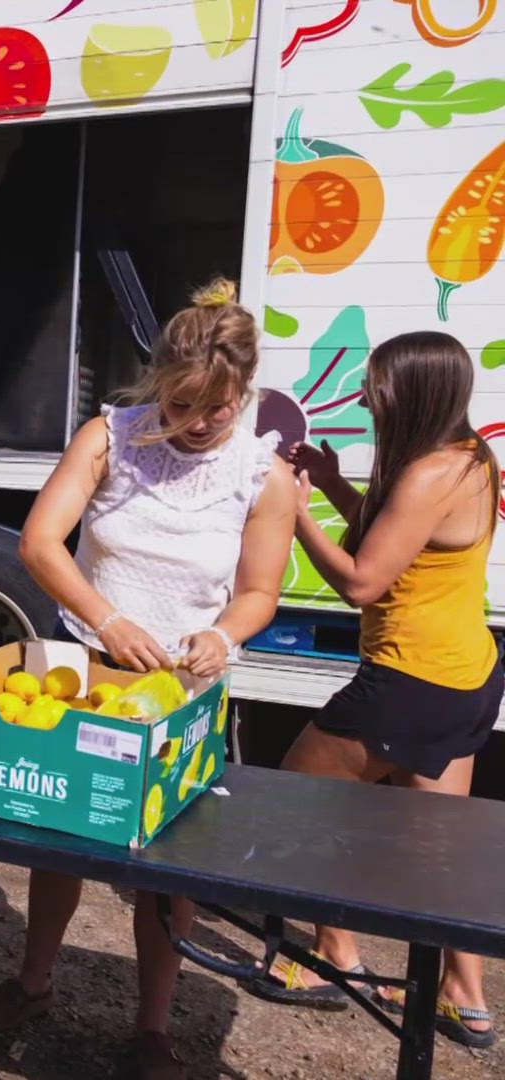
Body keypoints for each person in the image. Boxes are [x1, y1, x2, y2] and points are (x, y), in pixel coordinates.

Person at [0, 279, 297, 1080]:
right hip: (81, 664)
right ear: (160, 382)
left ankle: (153, 1027)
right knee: (60, 841)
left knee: (165, 858)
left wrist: (223, 635)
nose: (194, 424)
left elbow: (260, 592)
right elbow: (41, 544)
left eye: (214, 409)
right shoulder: (111, 437)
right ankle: (34, 979)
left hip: (183, 692)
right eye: (181, 405)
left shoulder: (263, 474)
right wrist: (109, 620)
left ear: (242, 393)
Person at [255, 331, 498, 1048]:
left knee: (306, 805)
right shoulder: (468, 457)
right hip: (466, 677)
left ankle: (335, 957)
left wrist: (294, 513)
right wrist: (330, 486)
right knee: (436, 843)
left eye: (377, 387)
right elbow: (396, 535)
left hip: (408, 684)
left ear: (416, 391)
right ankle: (467, 996)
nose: (365, 397)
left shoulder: (427, 474)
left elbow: (364, 580)